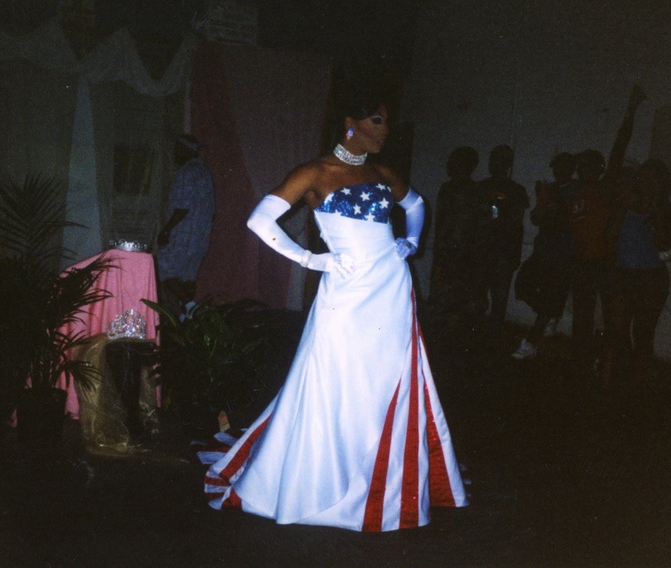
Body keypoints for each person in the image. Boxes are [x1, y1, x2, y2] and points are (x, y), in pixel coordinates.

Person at [198, 89, 468, 532]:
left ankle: (372, 478)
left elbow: (417, 205)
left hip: (391, 288)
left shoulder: (382, 172)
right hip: (345, 289)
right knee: (334, 374)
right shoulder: (316, 172)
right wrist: (310, 259)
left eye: (386, 122)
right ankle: (317, 482)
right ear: (350, 123)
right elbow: (259, 220)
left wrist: (411, 240)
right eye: (377, 120)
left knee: (385, 377)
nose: (385, 130)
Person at [567, 85, 645, 378]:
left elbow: (619, 147)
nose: (582, 169)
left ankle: (608, 366)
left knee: (610, 319)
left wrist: (630, 110)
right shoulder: (575, 193)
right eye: (580, 165)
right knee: (582, 317)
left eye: (588, 165)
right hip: (581, 264)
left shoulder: (604, 187)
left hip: (603, 263)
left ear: (598, 168)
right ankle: (580, 365)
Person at [602, 159, 671, 383]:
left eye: (653, 178)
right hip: (622, 275)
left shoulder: (665, 208)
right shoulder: (624, 201)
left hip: (651, 278)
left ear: (661, 182)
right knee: (615, 331)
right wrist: (624, 207)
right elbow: (609, 238)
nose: (647, 182)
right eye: (644, 177)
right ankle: (605, 385)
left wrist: (657, 212)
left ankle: (638, 386)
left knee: (643, 334)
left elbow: (665, 249)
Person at [511, 152, 577, 359]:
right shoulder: (550, 188)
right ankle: (552, 313)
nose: (559, 170)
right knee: (522, 286)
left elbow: (569, 220)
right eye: (556, 166)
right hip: (542, 251)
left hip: (562, 254)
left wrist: (551, 199)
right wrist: (541, 198)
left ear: (571, 169)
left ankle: (530, 342)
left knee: (550, 295)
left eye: (564, 166)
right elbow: (536, 218)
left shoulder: (576, 189)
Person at [475, 145, 529, 345]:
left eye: (499, 160)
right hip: (481, 251)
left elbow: (517, 225)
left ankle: (492, 341)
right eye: (492, 159)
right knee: (477, 297)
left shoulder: (516, 190)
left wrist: (515, 255)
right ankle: (476, 337)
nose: (494, 164)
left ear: (507, 164)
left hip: (502, 253)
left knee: (499, 300)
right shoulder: (480, 187)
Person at [156, 135, 215, 315]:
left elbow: (182, 208)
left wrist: (165, 230)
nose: (174, 154)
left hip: (183, 237)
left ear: (186, 150)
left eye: (177, 149)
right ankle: (186, 317)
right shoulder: (203, 172)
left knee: (163, 272)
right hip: (200, 238)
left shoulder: (187, 172)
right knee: (187, 278)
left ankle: (192, 308)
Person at [428, 146, 486, 329]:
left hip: (453, 258)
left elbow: (444, 229)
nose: (449, 165)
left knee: (445, 309)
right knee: (457, 310)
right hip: (465, 258)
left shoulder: (452, 190)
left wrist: (439, 261)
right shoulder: (476, 191)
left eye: (453, 161)